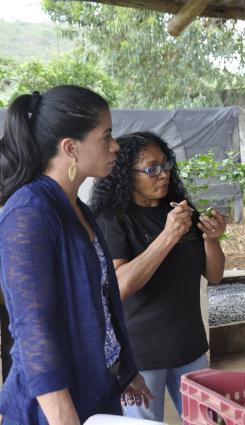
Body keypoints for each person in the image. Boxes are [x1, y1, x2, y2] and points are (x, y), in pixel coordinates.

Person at [0, 86, 152, 425]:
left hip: (96, 390)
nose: (115, 146)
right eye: (106, 136)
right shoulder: (29, 212)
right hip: (52, 407)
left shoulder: (74, 207)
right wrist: (61, 413)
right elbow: (31, 325)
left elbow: (97, 301)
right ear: (70, 147)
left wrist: (124, 370)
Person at [90, 131, 226, 421]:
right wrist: (167, 236)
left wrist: (212, 240)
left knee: (205, 420)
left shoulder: (179, 211)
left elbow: (214, 276)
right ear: (126, 174)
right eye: (151, 169)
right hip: (140, 358)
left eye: (166, 166)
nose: (163, 175)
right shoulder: (113, 219)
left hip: (191, 348)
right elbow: (121, 285)